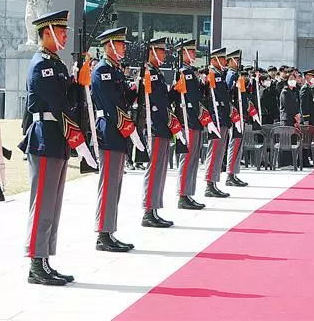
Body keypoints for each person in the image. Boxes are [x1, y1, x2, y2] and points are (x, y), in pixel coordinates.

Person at [20, 10, 93, 285]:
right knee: (42, 203)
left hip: (57, 139)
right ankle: (36, 263)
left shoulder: (56, 64)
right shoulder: (42, 65)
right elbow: (59, 104)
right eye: (61, 31)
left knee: (53, 204)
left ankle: (45, 259)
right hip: (45, 138)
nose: (65, 35)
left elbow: (69, 98)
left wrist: (79, 81)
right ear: (47, 32)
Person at [90, 27, 144, 252]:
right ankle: (103, 234)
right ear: (109, 45)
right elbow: (113, 107)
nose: (124, 47)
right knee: (109, 184)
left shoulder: (115, 70)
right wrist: (131, 131)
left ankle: (109, 231)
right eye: (120, 44)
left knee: (116, 185)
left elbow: (125, 99)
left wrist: (138, 87)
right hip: (110, 132)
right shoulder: (103, 71)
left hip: (118, 134)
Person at [139, 37, 184, 229]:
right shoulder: (149, 72)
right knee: (155, 170)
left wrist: (175, 90)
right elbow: (151, 103)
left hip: (163, 128)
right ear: (151, 51)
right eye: (161, 51)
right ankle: (148, 211)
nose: (164, 54)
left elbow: (164, 100)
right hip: (156, 128)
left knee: (161, 171)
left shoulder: (156, 72)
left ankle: (154, 209)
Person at [171, 39, 220, 210]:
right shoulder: (184, 72)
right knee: (187, 159)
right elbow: (191, 100)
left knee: (193, 160)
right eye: (190, 51)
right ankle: (183, 195)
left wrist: (205, 84)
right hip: (189, 120)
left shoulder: (191, 72)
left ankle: (188, 193)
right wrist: (205, 118)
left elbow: (200, 96)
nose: (193, 54)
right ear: (182, 53)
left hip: (195, 121)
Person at [204, 48, 233, 199]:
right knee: (214, 152)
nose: (224, 62)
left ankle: (213, 182)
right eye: (221, 59)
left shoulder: (219, 75)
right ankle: (209, 184)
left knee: (219, 153)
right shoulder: (212, 75)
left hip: (223, 118)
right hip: (217, 119)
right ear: (214, 60)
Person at [225, 50, 255, 187]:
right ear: (229, 61)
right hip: (235, 115)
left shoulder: (236, 75)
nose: (237, 62)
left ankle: (234, 173)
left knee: (238, 145)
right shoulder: (231, 74)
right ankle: (230, 174)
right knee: (234, 144)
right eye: (235, 60)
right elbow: (228, 93)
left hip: (241, 113)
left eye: (238, 60)